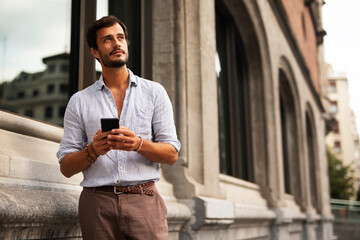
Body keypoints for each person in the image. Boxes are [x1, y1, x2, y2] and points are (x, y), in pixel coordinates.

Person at [56, 15, 180, 240]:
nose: (117, 43)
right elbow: (66, 167)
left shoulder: (154, 93)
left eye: (121, 37)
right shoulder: (80, 101)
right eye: (108, 40)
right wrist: (93, 150)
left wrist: (138, 144)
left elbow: (171, 154)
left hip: (145, 200)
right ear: (94, 51)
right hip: (96, 205)